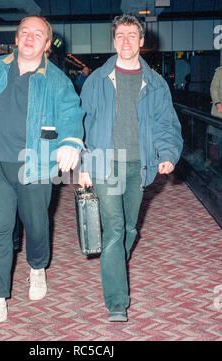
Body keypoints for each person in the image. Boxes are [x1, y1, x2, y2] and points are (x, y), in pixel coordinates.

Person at [0, 15, 84, 328]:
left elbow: (72, 113)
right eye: (24, 32)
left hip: (38, 166)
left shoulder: (57, 80)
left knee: (36, 225)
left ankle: (37, 266)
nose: (30, 38)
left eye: (38, 34)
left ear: (47, 45)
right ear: (16, 39)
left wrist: (71, 142)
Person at [78, 14, 183, 322]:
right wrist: (84, 163)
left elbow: (166, 124)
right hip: (105, 164)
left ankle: (113, 268)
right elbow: (82, 125)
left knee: (128, 229)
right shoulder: (96, 79)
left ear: (141, 41)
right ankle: (116, 302)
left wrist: (168, 152)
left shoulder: (156, 83)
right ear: (114, 41)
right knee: (112, 229)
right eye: (120, 35)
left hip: (139, 164)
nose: (125, 40)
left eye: (131, 35)